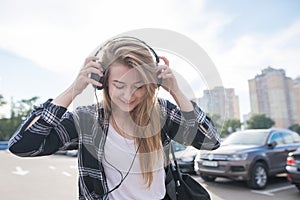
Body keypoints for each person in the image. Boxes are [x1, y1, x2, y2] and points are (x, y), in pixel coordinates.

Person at [9, 37, 220, 200]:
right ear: (102, 82)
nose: (129, 96)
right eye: (119, 86)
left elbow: (210, 141)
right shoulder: (87, 120)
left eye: (139, 87)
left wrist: (176, 91)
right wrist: (74, 89)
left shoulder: (162, 113)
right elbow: (23, 145)